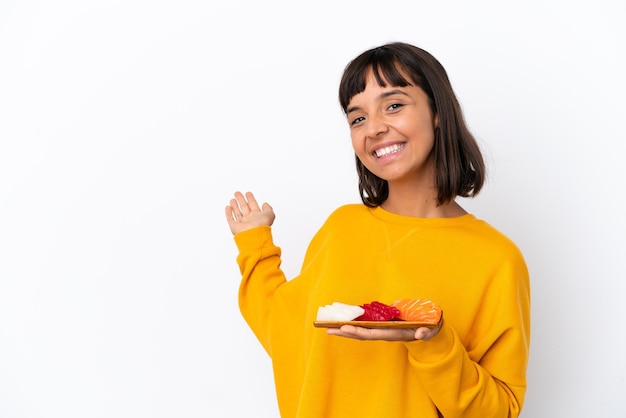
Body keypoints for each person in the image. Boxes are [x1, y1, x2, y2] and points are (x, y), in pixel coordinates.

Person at [225, 42, 530, 418]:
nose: (375, 129)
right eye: (358, 118)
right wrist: (254, 246)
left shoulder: (496, 258)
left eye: (394, 105)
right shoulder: (342, 228)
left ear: (438, 111)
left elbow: (499, 410)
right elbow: (286, 331)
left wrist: (431, 341)